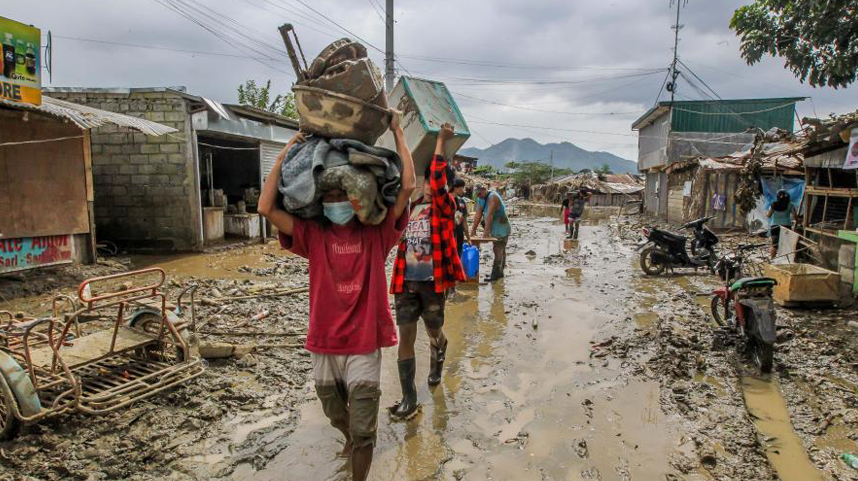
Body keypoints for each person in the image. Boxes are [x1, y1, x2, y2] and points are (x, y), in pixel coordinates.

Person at [257, 113, 415, 481]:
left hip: (363, 345)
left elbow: (406, 188)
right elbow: (266, 209)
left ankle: (357, 458)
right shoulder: (313, 236)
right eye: (327, 195)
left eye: (342, 194)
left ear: (358, 196)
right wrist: (284, 155)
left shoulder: (377, 237)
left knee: (364, 430)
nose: (334, 201)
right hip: (324, 342)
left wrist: (398, 132)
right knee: (334, 411)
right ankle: (347, 437)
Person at [388, 123, 467, 420]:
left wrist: (441, 141)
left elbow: (436, 180)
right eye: (423, 182)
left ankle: (439, 347)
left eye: (431, 182)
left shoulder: (447, 206)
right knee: (405, 336)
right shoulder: (412, 208)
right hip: (406, 282)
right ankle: (409, 399)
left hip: (433, 283)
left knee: (433, 330)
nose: (425, 185)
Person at [471, 184, 511, 281]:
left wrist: (485, 234)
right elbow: (478, 214)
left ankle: (495, 275)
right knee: (500, 250)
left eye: (479, 193)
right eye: (477, 194)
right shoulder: (481, 198)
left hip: (502, 227)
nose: (478, 196)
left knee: (498, 249)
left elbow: (489, 216)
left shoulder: (493, 197)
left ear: (485, 190)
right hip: (494, 227)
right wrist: (473, 230)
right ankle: (500, 273)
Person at [767, 189, 796, 259]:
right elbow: (795, 216)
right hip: (786, 226)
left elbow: (768, 215)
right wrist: (798, 219)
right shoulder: (791, 205)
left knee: (774, 245)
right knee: (786, 244)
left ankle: (772, 259)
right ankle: (785, 260)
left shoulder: (773, 205)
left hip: (775, 226)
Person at [452, 177, 472, 258]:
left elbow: (463, 221)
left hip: (459, 235)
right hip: (449, 235)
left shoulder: (461, 202)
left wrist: (468, 238)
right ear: (456, 188)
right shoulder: (447, 201)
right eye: (462, 187)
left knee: (457, 256)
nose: (464, 190)